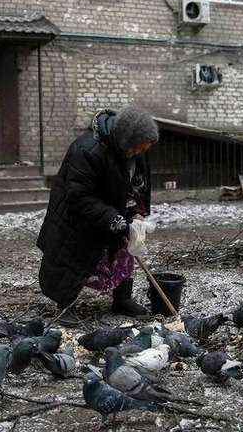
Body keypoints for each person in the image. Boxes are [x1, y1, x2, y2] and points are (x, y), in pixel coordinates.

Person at [37, 105, 159, 326]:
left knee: (125, 250)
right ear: (125, 140)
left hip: (112, 211)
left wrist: (138, 212)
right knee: (74, 257)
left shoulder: (134, 150)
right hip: (76, 218)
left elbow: (137, 184)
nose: (138, 154)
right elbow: (79, 196)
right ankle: (64, 305)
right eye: (135, 150)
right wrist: (113, 219)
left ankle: (122, 299)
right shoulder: (86, 150)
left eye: (142, 150)